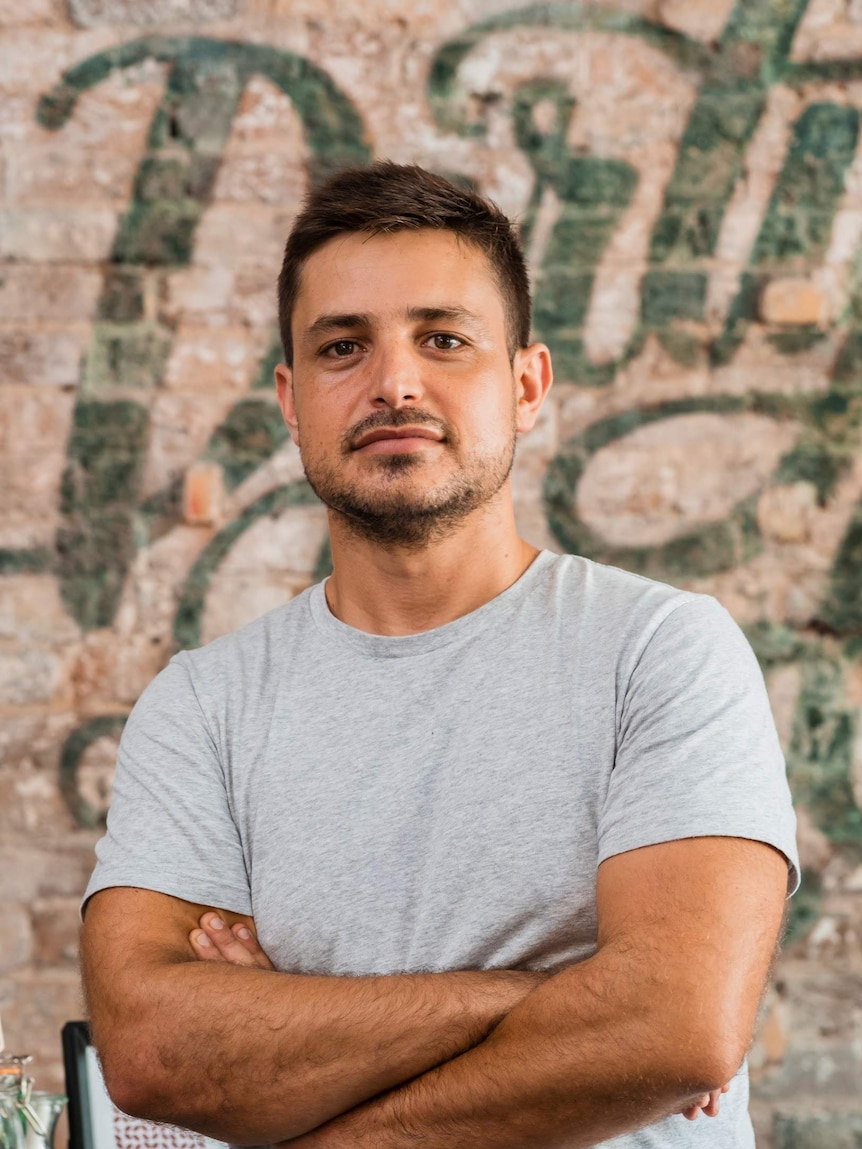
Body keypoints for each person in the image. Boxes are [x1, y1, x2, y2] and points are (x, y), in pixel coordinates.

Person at [81, 161, 799, 1149]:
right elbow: (157, 1051)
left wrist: (297, 1053)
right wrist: (551, 999)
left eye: (444, 338)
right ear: (290, 400)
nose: (394, 383)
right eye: (343, 347)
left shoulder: (659, 652)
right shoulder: (204, 706)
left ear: (526, 384)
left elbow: (675, 1032)